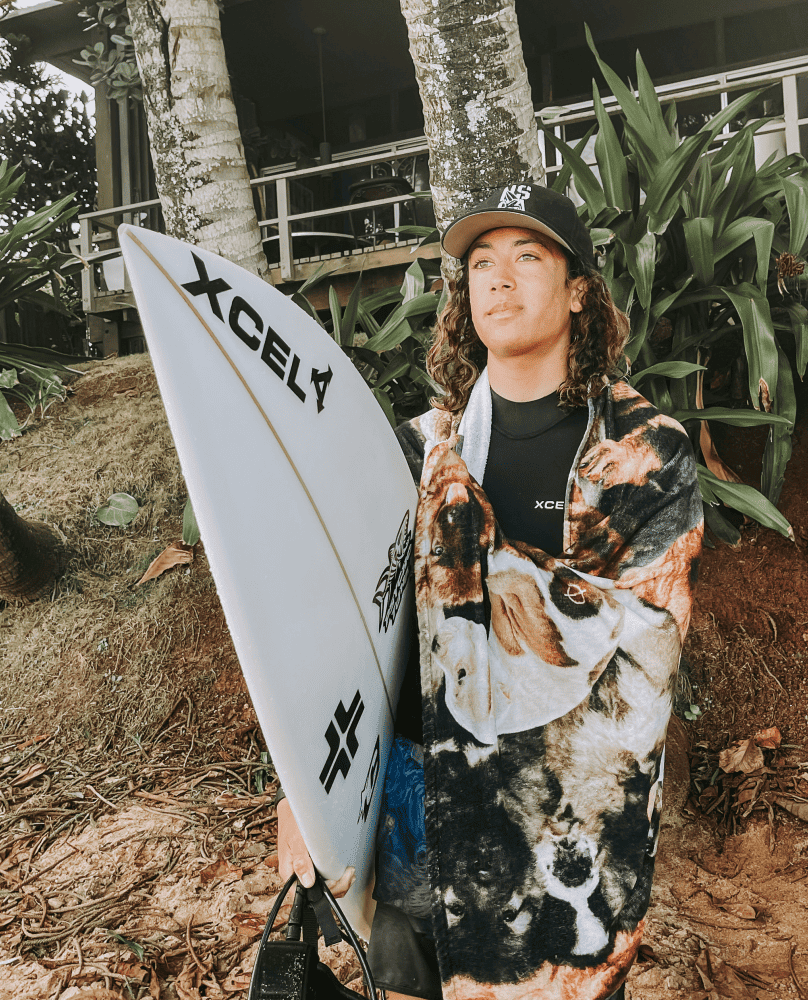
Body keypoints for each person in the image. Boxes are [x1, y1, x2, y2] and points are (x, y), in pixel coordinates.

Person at [277, 182, 703, 1000]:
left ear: (579, 290)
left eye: (527, 257)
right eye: (481, 263)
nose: (499, 279)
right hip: (417, 820)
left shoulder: (647, 456)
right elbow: (336, 630)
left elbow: (642, 644)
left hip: (562, 847)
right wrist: (302, 788)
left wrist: (491, 589)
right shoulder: (417, 453)